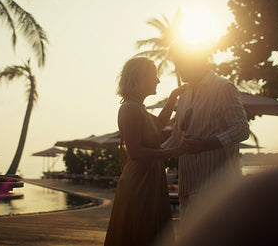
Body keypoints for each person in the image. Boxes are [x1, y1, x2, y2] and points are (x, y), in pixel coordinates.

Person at [104, 57, 188, 246]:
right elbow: (136, 152)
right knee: (141, 233)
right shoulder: (129, 109)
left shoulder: (137, 108)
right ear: (140, 78)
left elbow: (159, 124)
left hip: (149, 179)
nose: (158, 80)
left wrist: (174, 96)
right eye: (154, 75)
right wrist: (176, 151)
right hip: (139, 183)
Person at [162, 41, 250, 220]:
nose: (177, 69)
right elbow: (177, 137)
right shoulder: (184, 94)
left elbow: (241, 129)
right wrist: (150, 155)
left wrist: (204, 145)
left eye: (180, 63)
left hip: (216, 188)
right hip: (188, 185)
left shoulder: (223, 88)